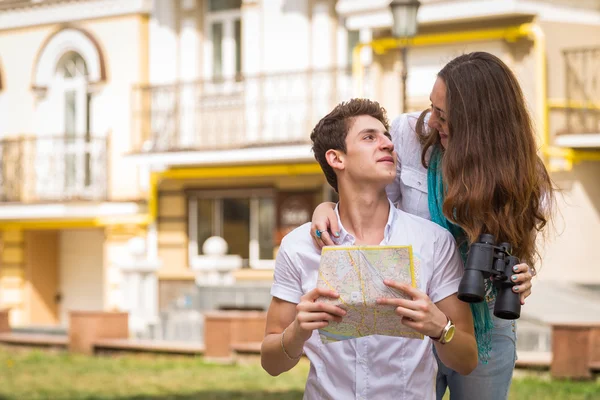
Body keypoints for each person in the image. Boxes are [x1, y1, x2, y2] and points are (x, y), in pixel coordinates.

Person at [310, 52, 555, 400]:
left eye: (444, 114)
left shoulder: (524, 175)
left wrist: (522, 274)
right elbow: (375, 203)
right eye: (432, 107)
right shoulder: (410, 136)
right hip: (415, 312)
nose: (433, 120)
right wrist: (327, 205)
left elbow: (516, 247)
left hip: (485, 320)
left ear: (477, 122)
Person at [261, 98, 478, 399]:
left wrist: (440, 327)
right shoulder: (298, 247)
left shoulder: (433, 241)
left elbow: (467, 360)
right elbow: (270, 363)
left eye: (387, 137)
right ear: (337, 159)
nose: (387, 144)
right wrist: (298, 331)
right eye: (369, 137)